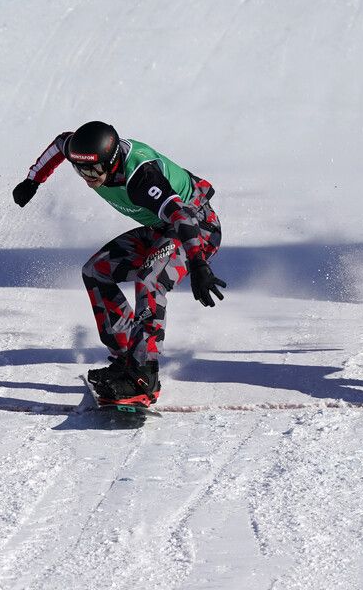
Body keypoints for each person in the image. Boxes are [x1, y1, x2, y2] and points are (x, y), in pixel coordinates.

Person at [12, 121, 226, 408]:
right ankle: (127, 356)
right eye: (81, 169)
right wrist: (33, 181)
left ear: (112, 163)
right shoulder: (83, 153)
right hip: (161, 228)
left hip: (197, 229)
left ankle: (143, 375)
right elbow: (60, 144)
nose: (88, 177)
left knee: (150, 280)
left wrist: (199, 265)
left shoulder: (142, 178)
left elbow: (183, 219)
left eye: (94, 170)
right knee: (96, 271)